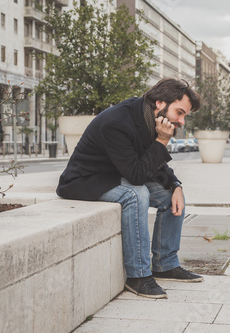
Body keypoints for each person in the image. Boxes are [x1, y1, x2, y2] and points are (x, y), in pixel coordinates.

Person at [56, 78, 202, 299]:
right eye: (179, 112)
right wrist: (162, 141)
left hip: (116, 174)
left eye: (184, 116)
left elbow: (151, 164)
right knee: (137, 194)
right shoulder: (118, 121)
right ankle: (138, 276)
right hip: (85, 180)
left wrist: (176, 185)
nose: (181, 121)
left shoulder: (149, 118)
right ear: (161, 103)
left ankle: (165, 264)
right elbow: (137, 176)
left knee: (169, 196)